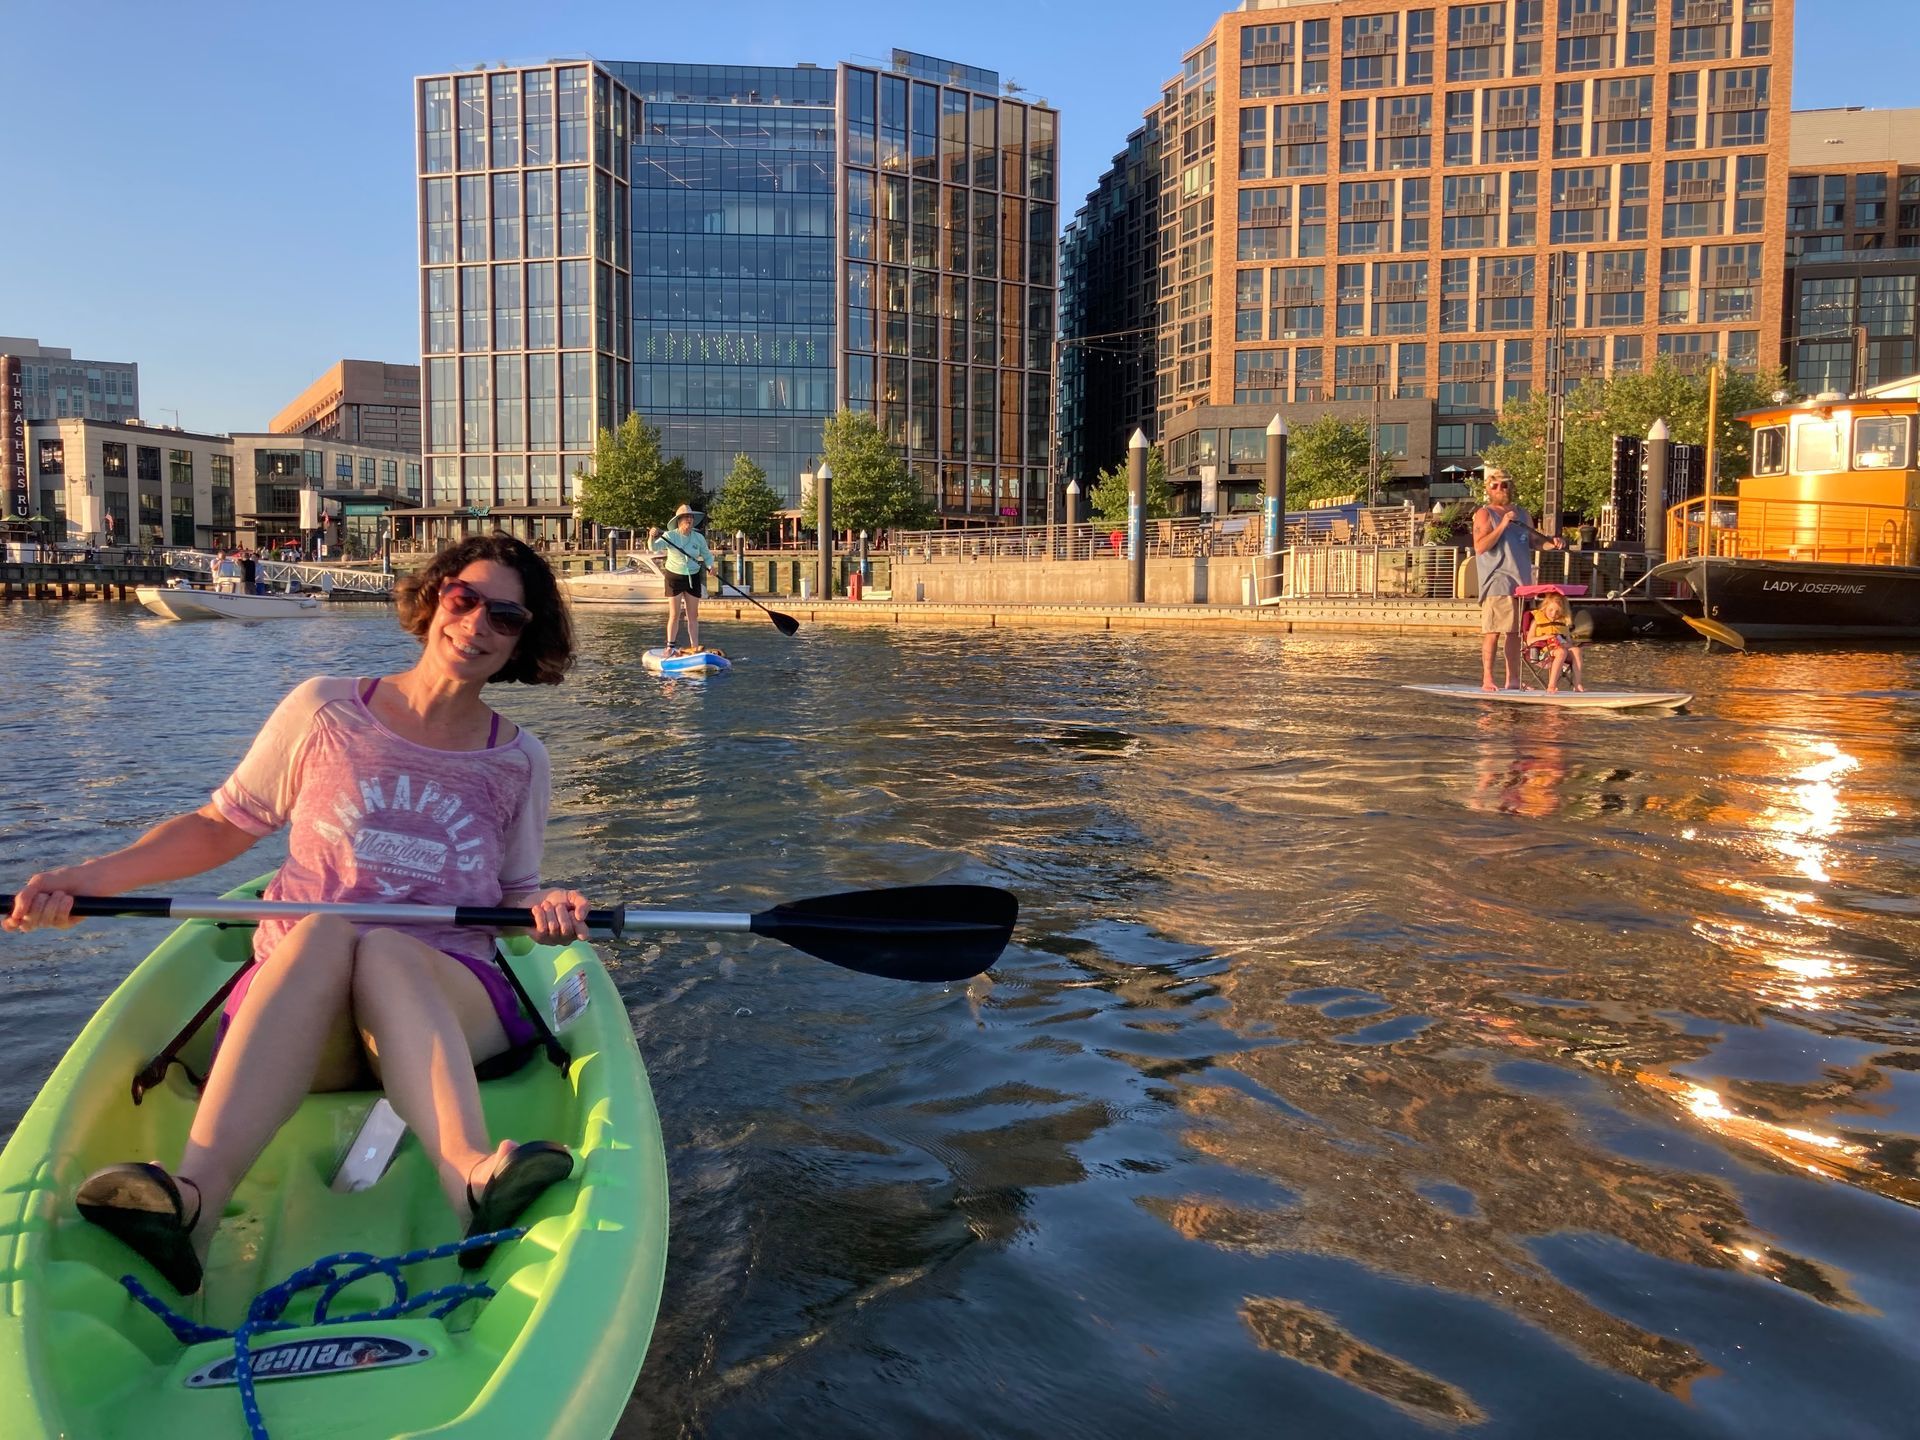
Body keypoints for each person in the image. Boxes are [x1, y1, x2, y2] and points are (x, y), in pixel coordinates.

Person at [4, 534, 587, 1295]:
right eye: (464, 598)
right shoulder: (325, 708)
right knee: (327, 932)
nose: (477, 624)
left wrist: (546, 906)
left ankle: (470, 1177)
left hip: (446, 997)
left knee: (389, 950)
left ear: (521, 639)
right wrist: (84, 880)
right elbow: (218, 827)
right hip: (306, 1007)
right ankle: (194, 1201)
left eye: (505, 617)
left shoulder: (519, 759)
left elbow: (515, 893)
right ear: (435, 596)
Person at [1472, 468, 1563, 691]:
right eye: (1494, 486)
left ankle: (1512, 679)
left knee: (1514, 633)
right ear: (1488, 489)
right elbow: (1480, 546)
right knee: (1493, 632)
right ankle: (1487, 679)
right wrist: (1503, 524)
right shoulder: (1484, 514)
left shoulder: (1523, 514)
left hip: (1521, 583)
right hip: (1497, 580)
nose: (1500, 489)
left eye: (1504, 485)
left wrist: (1552, 543)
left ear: (1511, 487)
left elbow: (1535, 541)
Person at [651, 503, 719, 655]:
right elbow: (654, 547)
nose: (689, 519)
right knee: (675, 614)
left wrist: (711, 566)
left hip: (693, 576)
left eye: (691, 517)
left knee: (693, 615)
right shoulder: (670, 536)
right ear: (679, 520)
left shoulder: (698, 537)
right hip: (674, 577)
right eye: (686, 517)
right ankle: (670, 646)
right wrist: (651, 536)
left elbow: (707, 555)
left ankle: (694, 647)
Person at [1529, 588, 1584, 692]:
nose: (1554, 614)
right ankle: (1551, 685)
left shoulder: (1563, 623)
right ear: (1545, 607)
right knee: (1561, 652)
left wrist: (1566, 645)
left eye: (1557, 611)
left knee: (1576, 650)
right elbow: (1529, 641)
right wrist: (1544, 637)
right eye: (1551, 610)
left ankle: (1577, 684)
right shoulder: (1536, 621)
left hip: (1560, 649)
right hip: (1542, 653)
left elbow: (1569, 642)